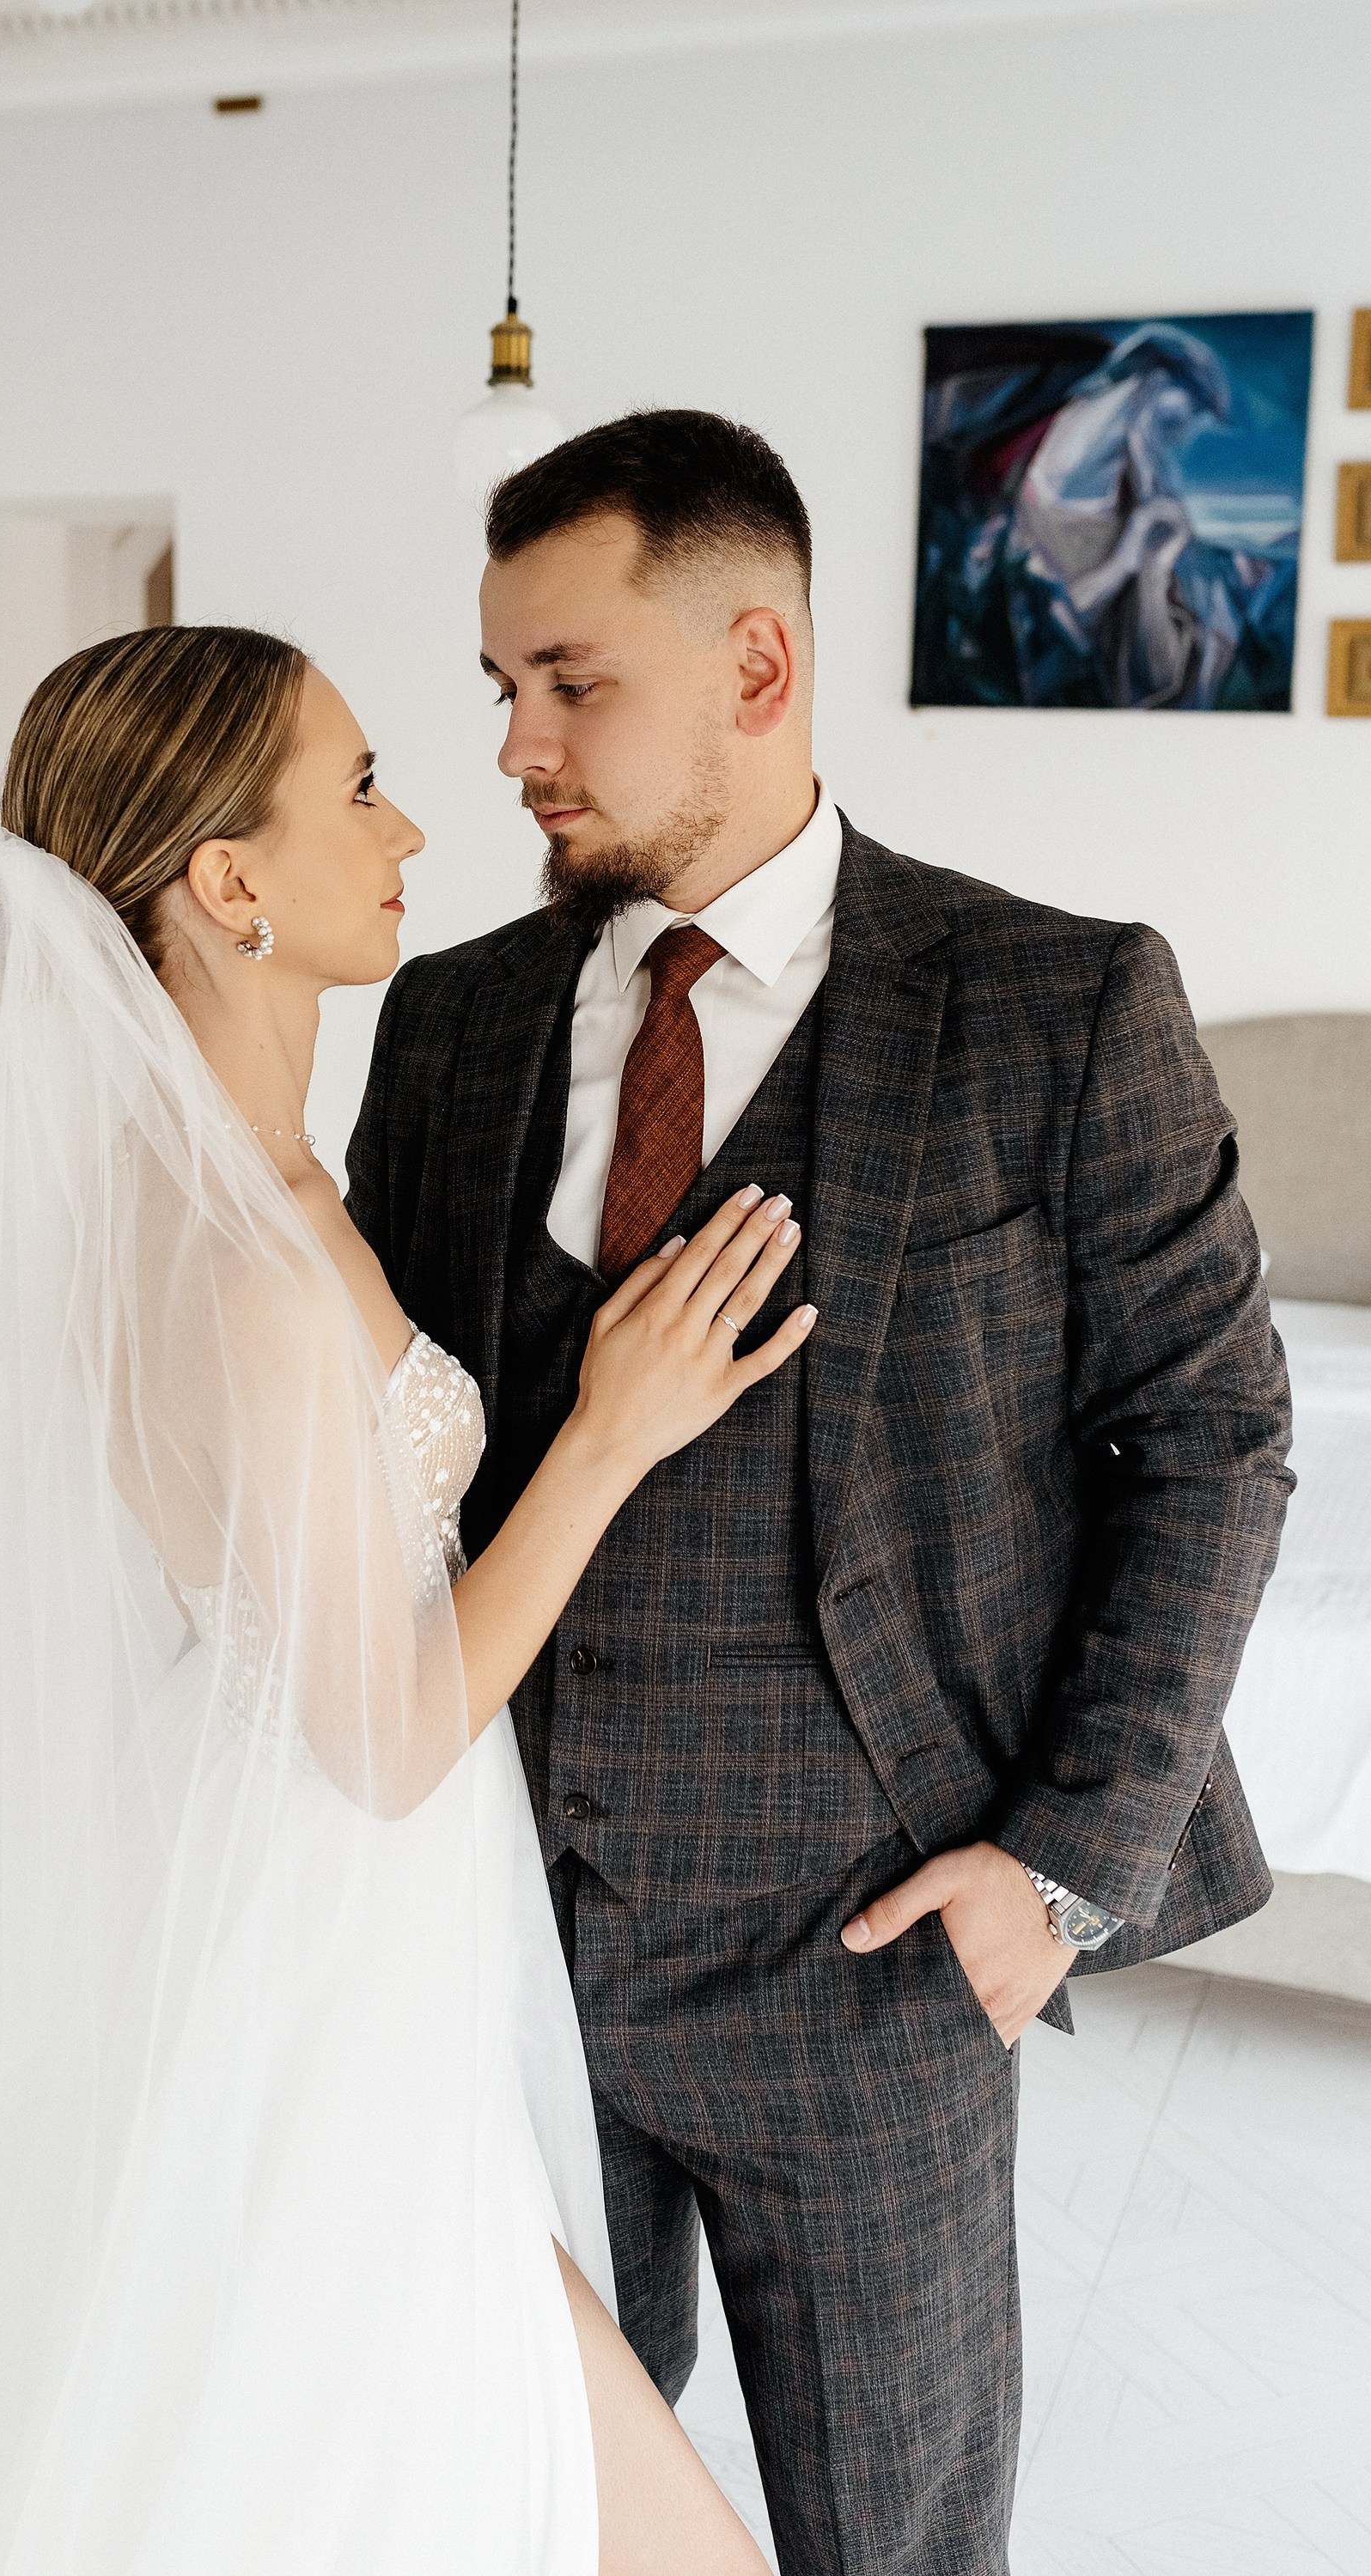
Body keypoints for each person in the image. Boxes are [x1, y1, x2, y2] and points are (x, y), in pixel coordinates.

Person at [0, 626, 811, 2575]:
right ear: (226, 881)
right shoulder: (240, 1268)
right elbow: (380, 1739)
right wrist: (608, 1440)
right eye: (357, 787)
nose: (413, 825)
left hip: (336, 1954)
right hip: (309, 1974)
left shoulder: (259, 1194)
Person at [345, 409, 1295, 2576]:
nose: (513, 749)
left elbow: (1210, 1446)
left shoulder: (1058, 1002)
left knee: (896, 2534)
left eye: (569, 682)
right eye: (500, 685)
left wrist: (1051, 1872)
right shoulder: (451, 1025)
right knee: (540, 2508)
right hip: (502, 1951)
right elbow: (382, 1449)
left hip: (869, 1965)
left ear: (756, 665)